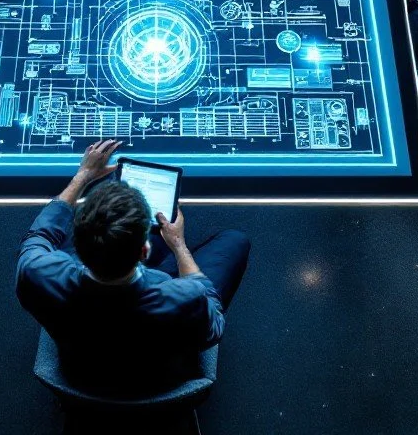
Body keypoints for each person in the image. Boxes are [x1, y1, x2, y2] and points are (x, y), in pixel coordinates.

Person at [16, 140, 251, 395]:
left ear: (77, 246)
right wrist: (178, 245)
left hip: (82, 371)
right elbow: (214, 325)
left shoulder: (36, 273)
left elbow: (40, 234)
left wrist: (83, 175)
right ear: (144, 251)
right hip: (156, 382)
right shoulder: (187, 298)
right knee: (235, 241)